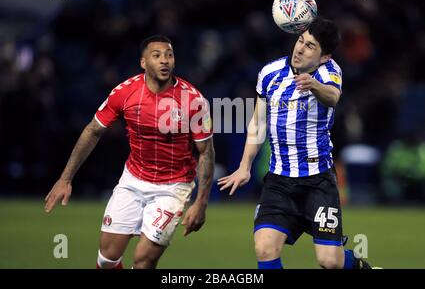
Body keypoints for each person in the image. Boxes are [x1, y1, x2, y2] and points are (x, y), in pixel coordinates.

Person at [44, 35, 215, 269]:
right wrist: (65, 178)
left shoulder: (193, 100)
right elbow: (93, 130)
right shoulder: (125, 92)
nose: (164, 60)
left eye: (169, 55)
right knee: (106, 260)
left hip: (173, 187)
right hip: (132, 180)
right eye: (156, 56)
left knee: (143, 260)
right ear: (143, 63)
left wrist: (201, 202)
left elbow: (206, 151)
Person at [218, 17, 373, 269]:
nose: (300, 48)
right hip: (279, 182)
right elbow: (258, 123)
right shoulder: (270, 73)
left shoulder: (329, 72)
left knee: (329, 262)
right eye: (300, 41)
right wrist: (244, 166)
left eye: (310, 46)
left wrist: (313, 85)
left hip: (318, 182)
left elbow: (333, 97)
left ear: (324, 57)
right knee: (264, 248)